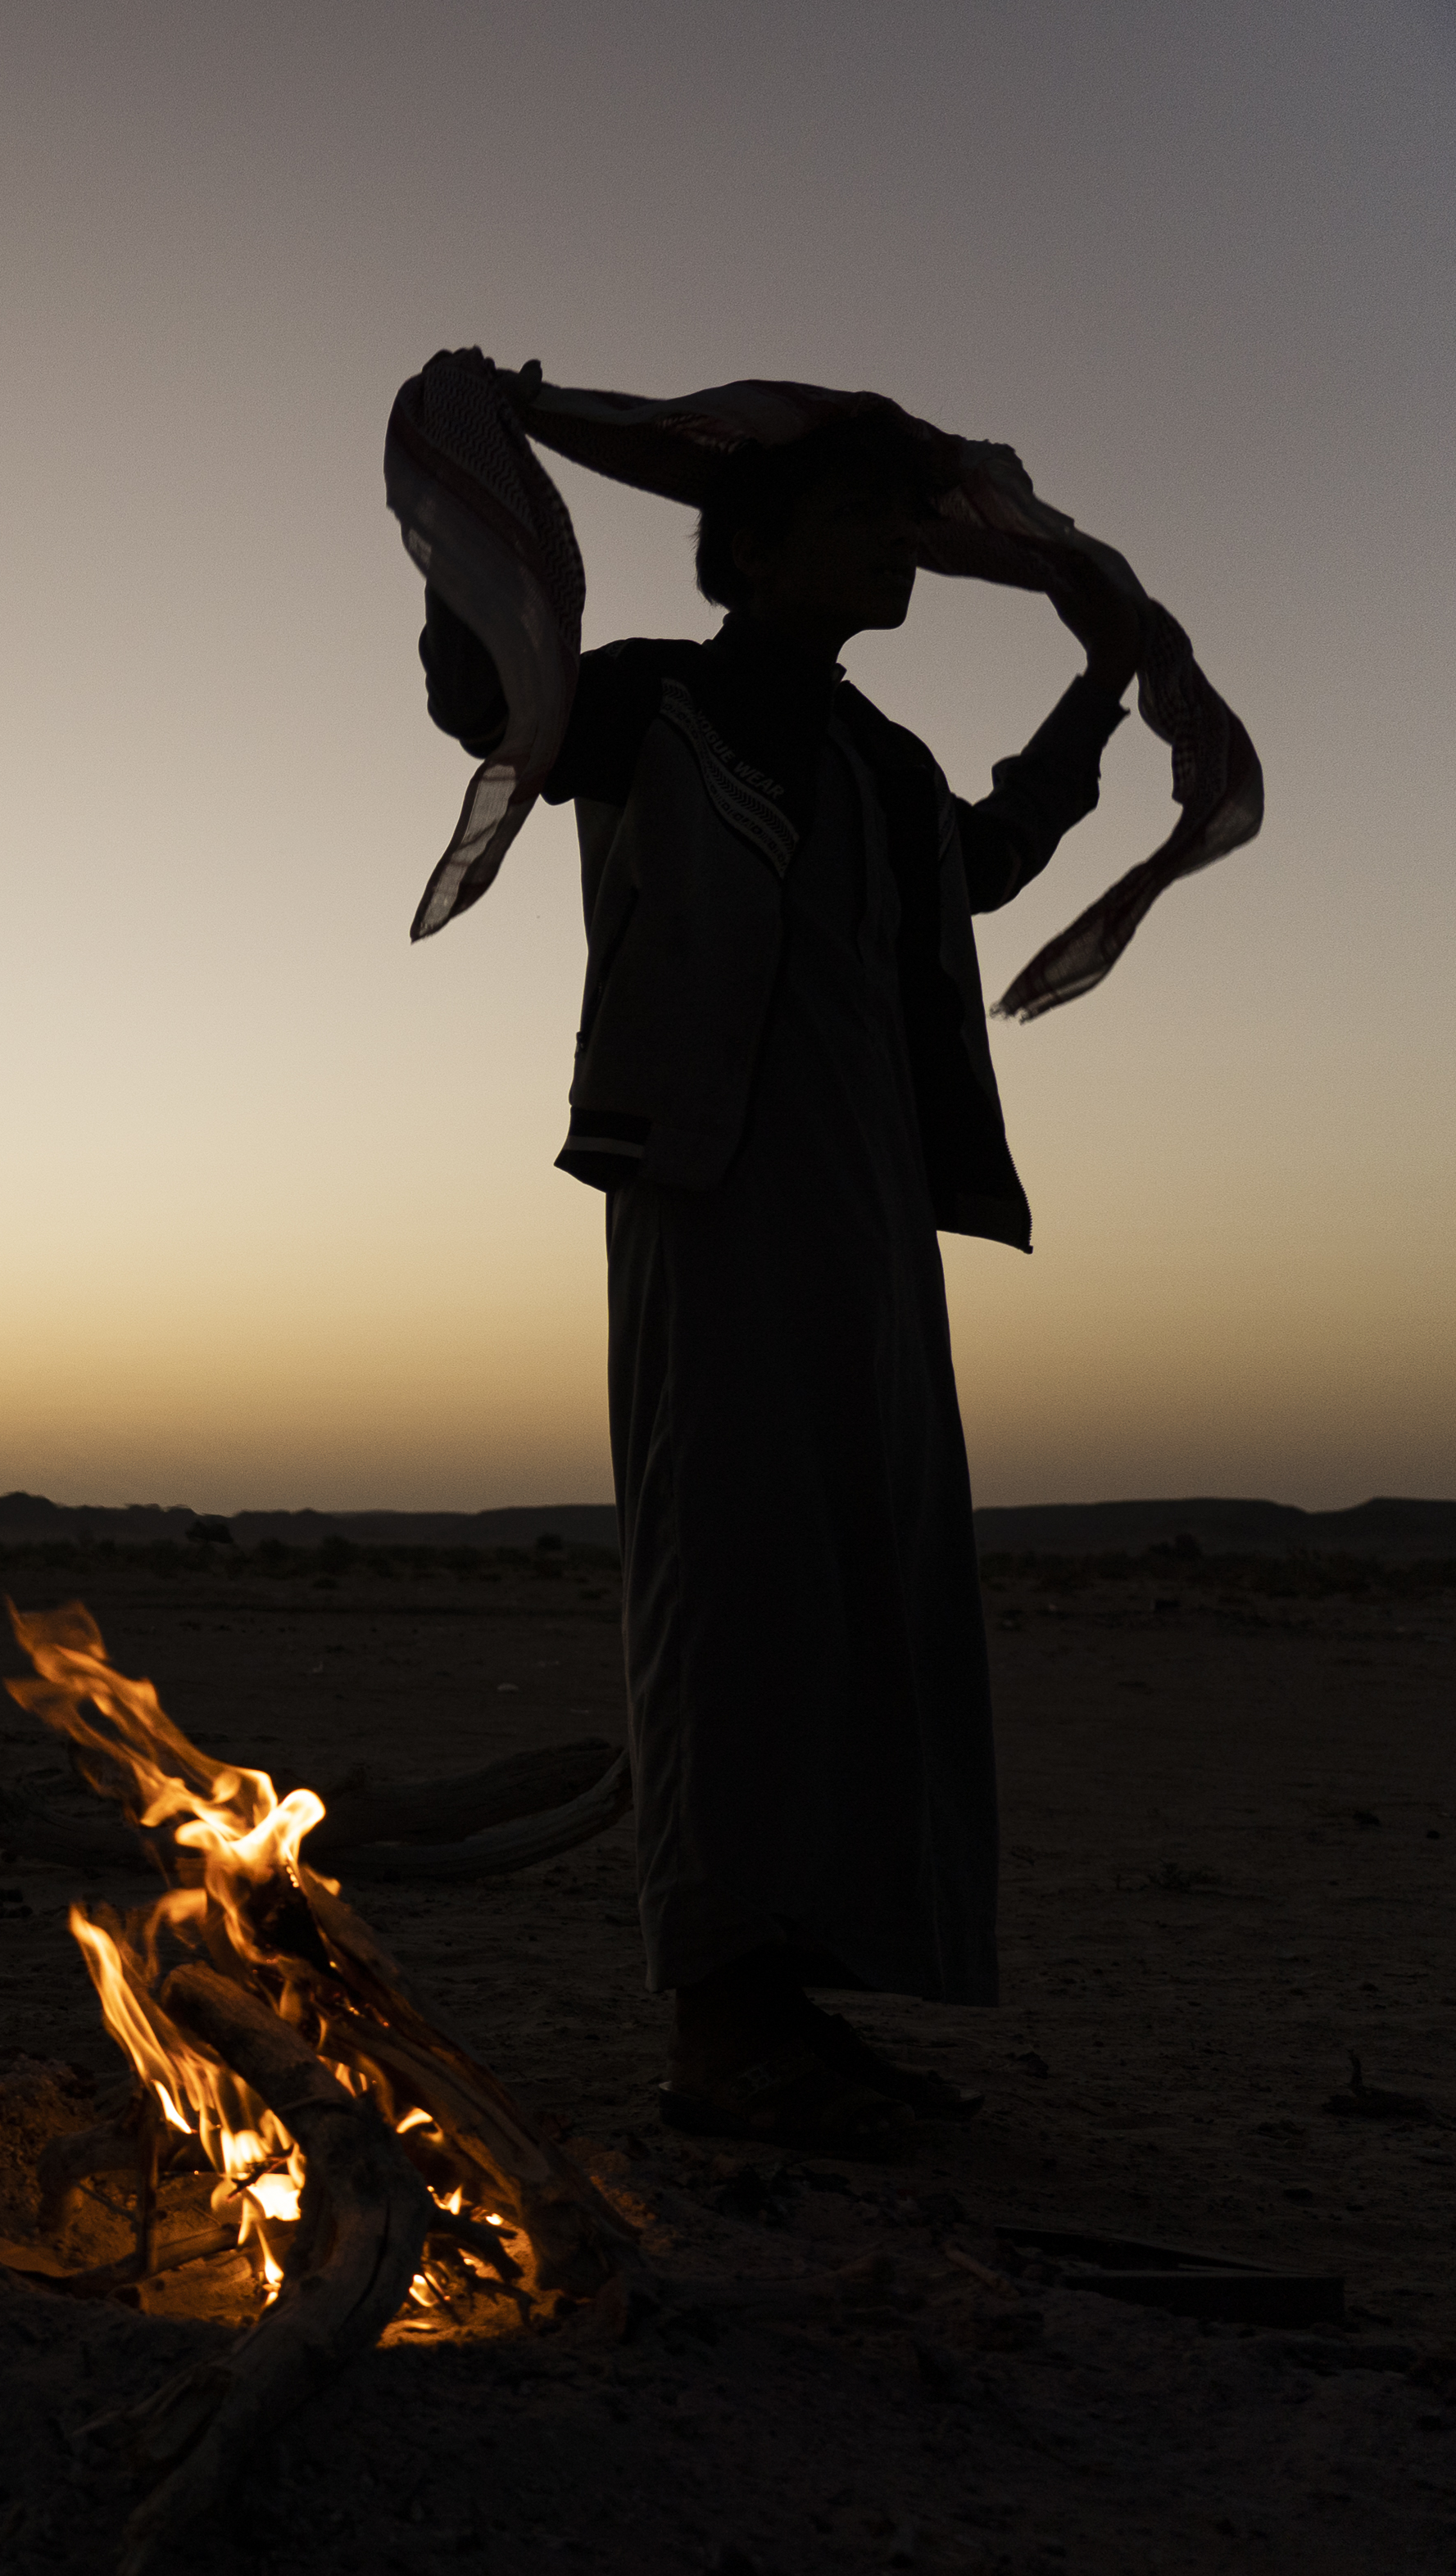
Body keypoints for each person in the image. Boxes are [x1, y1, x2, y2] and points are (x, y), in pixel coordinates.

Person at [419, 407, 1143, 2157]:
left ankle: (791, 1998)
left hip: (872, 1217)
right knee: (733, 1575)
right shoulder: (654, 701)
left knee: (852, 1577)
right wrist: (460, 502)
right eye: (860, 517)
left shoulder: (878, 759)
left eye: (905, 522)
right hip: (714, 1193)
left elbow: (975, 868)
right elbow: (485, 694)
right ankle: (718, 2028)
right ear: (754, 551)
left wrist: (1097, 695)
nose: (897, 545)